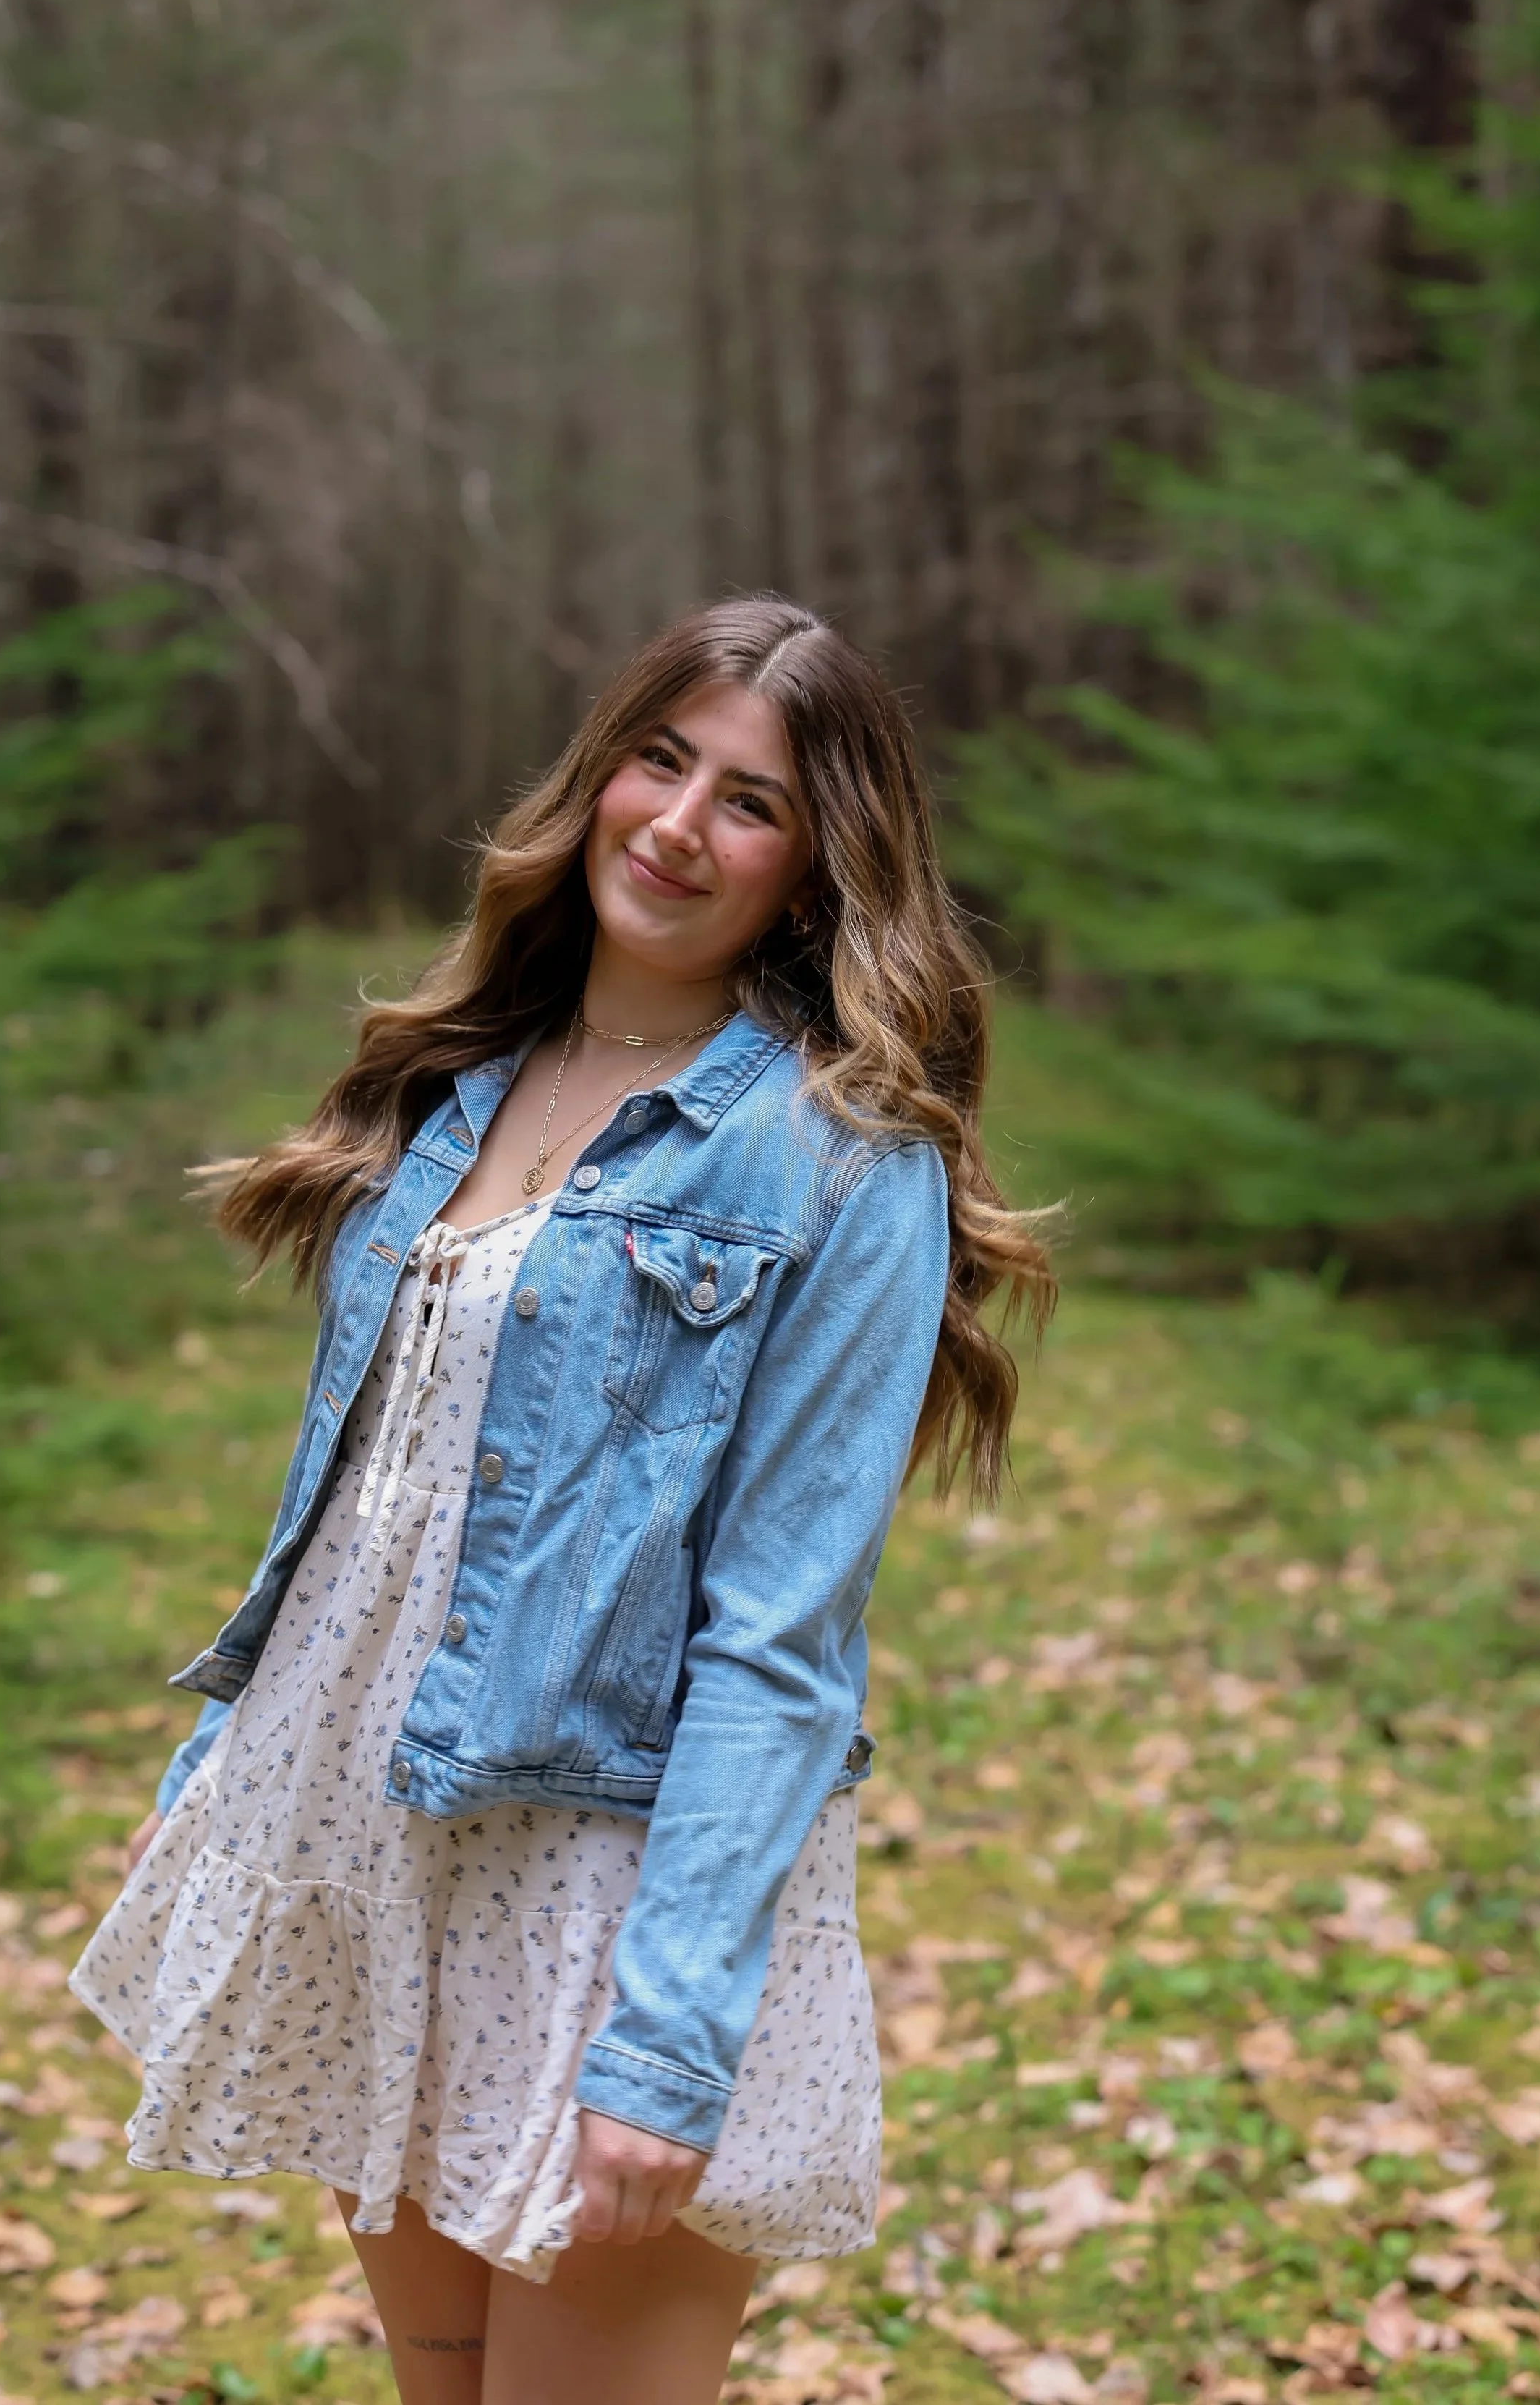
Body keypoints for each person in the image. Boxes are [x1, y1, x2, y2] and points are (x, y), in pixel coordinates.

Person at [69, 595, 1052, 2405]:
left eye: (749, 802)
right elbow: (368, 1494)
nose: (676, 826)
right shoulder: (457, 1086)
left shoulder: (840, 1161)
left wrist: (664, 2042)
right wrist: (218, 1772)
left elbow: (780, 1637)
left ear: (816, 867)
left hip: (605, 1889)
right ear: (595, 773)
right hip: (368, 1843)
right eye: (656, 762)